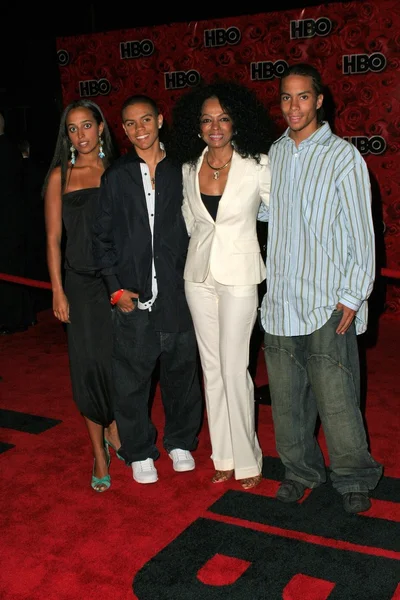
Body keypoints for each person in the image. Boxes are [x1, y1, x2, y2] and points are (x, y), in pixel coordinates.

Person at [258, 63, 383, 513]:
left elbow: (362, 233)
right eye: (286, 98)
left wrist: (353, 294)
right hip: (281, 300)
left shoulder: (343, 156)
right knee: (288, 401)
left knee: (337, 396)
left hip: (328, 299)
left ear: (319, 99)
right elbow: (269, 217)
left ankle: (354, 478)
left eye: (303, 97)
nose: (294, 106)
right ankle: (300, 471)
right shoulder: (273, 154)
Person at [92, 94, 203, 485]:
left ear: (159, 120)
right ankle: (139, 450)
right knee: (131, 380)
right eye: (130, 123)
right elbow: (100, 238)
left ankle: (180, 442)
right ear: (123, 129)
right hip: (133, 298)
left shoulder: (185, 169)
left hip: (179, 294)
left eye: (146, 120)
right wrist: (115, 289)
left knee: (182, 374)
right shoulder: (117, 175)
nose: (140, 129)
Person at [168, 81, 274, 489]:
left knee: (235, 368)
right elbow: (192, 221)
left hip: (241, 276)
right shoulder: (188, 167)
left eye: (223, 119)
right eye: (207, 120)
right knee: (211, 369)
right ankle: (223, 455)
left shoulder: (258, 164)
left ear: (236, 123)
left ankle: (248, 460)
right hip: (199, 278)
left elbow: (277, 215)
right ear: (197, 127)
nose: (215, 127)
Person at [43, 99, 120, 493]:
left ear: (101, 127)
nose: (80, 135)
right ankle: (99, 451)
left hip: (117, 285)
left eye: (87, 126)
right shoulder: (61, 175)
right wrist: (58, 290)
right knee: (87, 369)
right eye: (72, 128)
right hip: (79, 286)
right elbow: (54, 240)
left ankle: (115, 429)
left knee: (117, 364)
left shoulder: (116, 172)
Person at [0, 111, 32, 335]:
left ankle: (14, 320)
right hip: (14, 219)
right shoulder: (10, 148)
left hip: (8, 221)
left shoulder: (5, 150)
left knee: (9, 269)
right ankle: (22, 316)